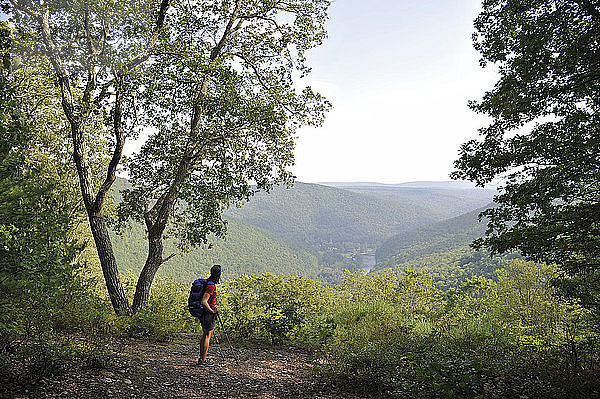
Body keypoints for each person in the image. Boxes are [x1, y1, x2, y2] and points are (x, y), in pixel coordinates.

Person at [198, 264, 221, 367]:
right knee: (207, 336)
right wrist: (212, 310)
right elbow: (204, 301)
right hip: (208, 314)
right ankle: (203, 360)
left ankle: (202, 359)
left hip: (203, 313)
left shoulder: (207, 282)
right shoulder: (211, 286)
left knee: (204, 335)